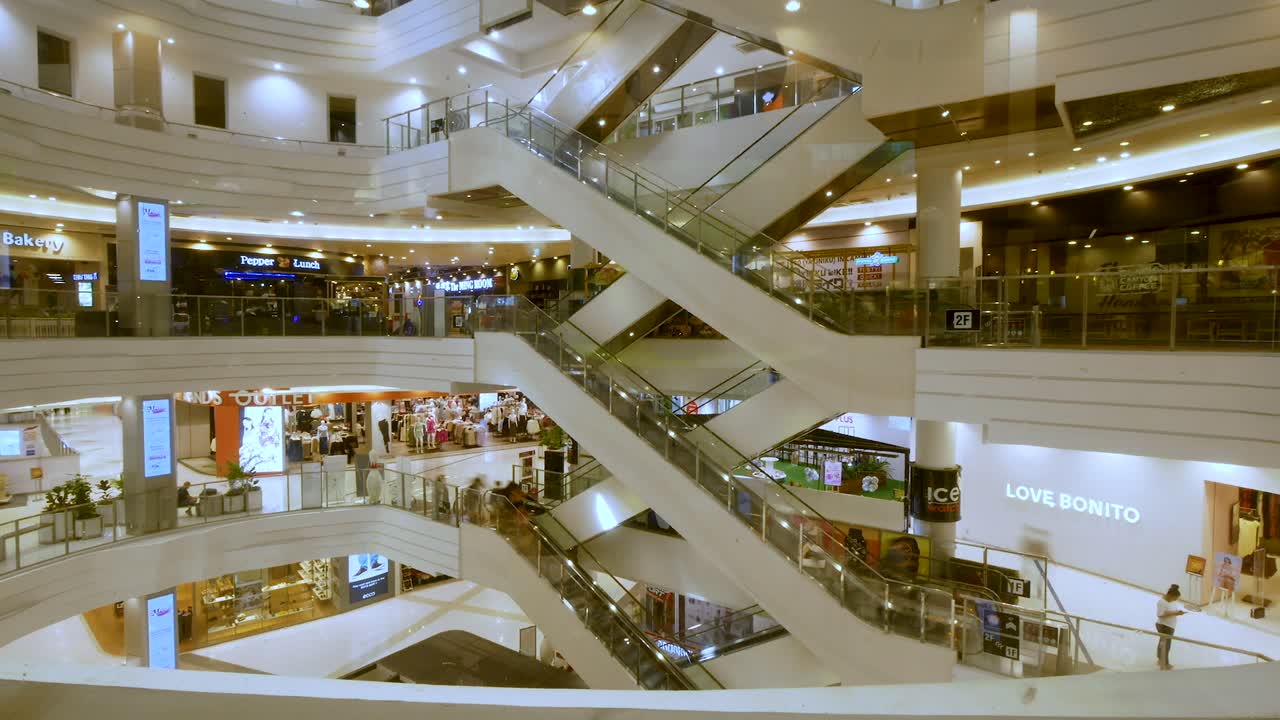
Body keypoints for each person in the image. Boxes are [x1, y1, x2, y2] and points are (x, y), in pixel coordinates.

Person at [1155, 584, 1186, 670]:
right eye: (1175, 598)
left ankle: (1160, 660)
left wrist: (1178, 612)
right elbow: (1160, 614)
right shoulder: (1161, 602)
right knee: (1166, 645)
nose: (1175, 600)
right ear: (1170, 595)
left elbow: (1171, 611)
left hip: (1169, 626)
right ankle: (1164, 664)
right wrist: (1175, 613)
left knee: (1162, 643)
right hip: (1164, 626)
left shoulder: (1171, 601)